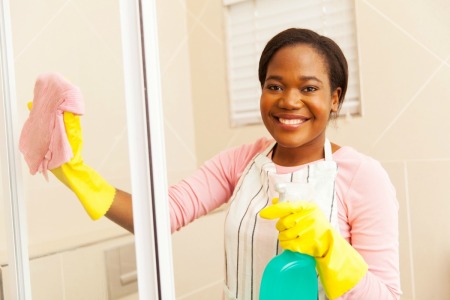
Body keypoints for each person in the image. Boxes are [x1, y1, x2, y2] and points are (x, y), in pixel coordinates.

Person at [36, 28, 402, 299]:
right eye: (275, 86)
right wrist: (76, 173)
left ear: (335, 98)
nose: (289, 101)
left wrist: (331, 250)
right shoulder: (244, 160)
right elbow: (160, 215)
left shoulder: (363, 177)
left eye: (308, 88)